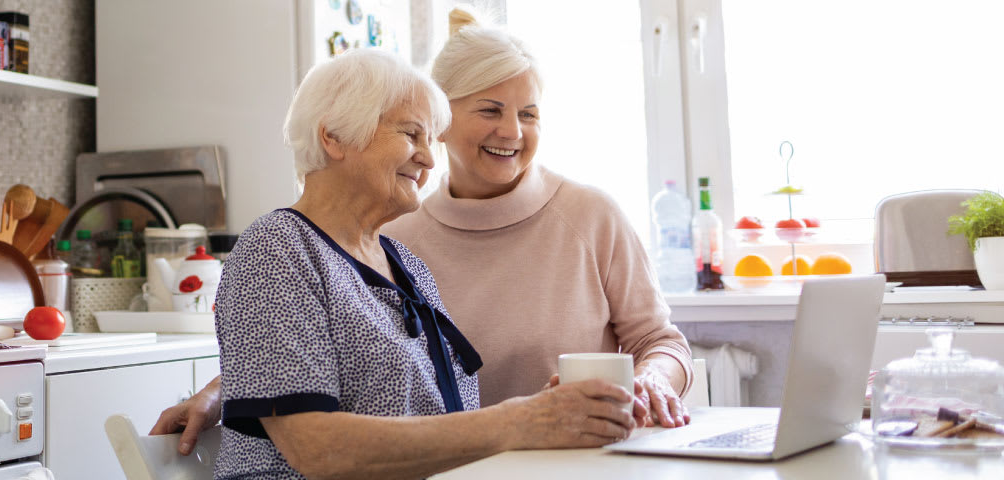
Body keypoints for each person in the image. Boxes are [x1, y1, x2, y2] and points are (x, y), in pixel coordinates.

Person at [153, 8, 694, 458]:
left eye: (529, 113)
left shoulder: (398, 260)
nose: (512, 131)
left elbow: (350, 363)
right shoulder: (348, 241)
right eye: (413, 132)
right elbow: (307, 400)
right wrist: (231, 390)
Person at [208, 49, 634, 480]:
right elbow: (317, 448)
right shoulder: (277, 248)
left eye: (431, 140)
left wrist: (550, 413)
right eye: (412, 135)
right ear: (333, 136)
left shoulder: (405, 265)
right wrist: (520, 421)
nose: (429, 159)